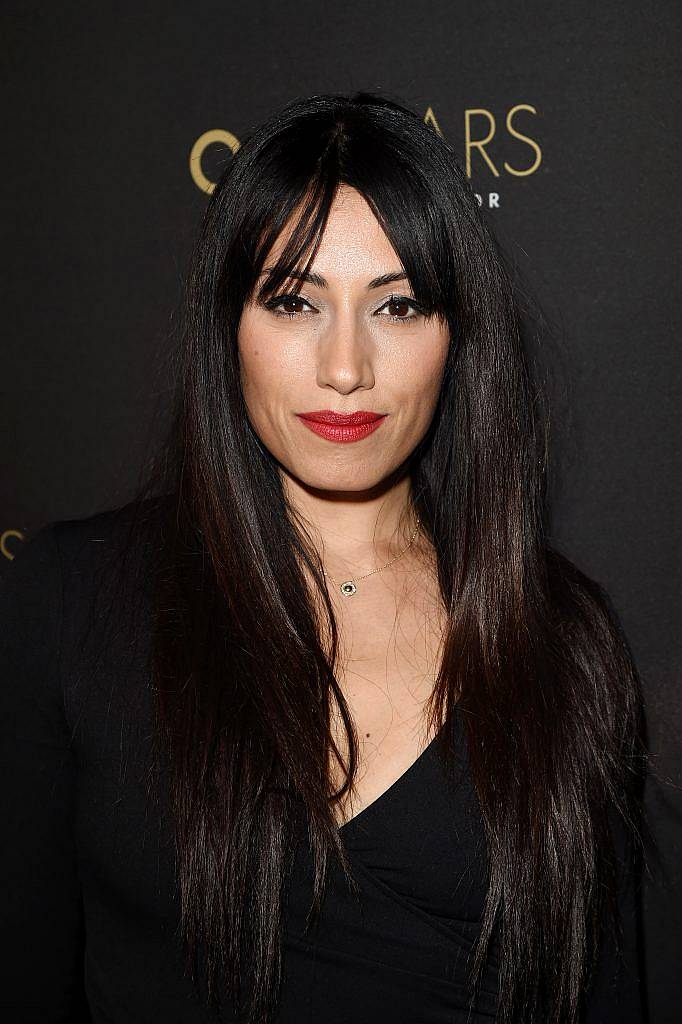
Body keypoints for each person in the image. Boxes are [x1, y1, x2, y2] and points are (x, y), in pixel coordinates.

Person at [0, 91, 647, 1024]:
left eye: (398, 304)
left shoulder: (565, 639)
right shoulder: (70, 601)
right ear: (230, 326)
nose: (346, 367)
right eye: (295, 301)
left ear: (454, 338)